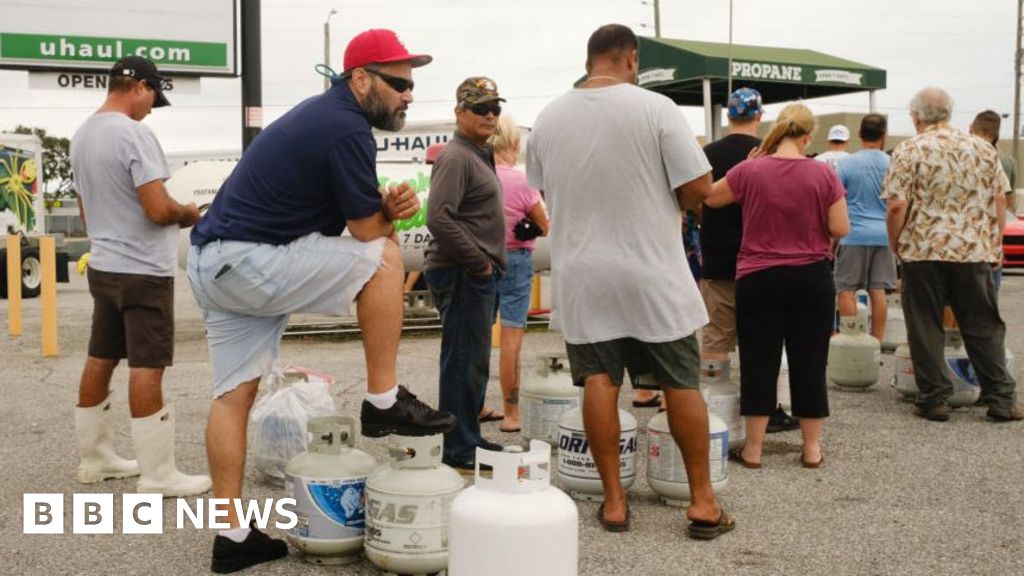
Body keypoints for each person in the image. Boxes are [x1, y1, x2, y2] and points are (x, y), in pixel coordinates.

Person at [187, 29, 456, 573]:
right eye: (399, 83)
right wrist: (392, 215)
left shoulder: (323, 117)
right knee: (385, 256)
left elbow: (356, 216)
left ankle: (232, 536)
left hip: (215, 262)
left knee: (232, 398)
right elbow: (367, 233)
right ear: (360, 78)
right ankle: (382, 399)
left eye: (412, 86)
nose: (408, 95)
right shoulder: (345, 128)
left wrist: (386, 207)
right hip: (248, 259)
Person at [528, 24, 734, 539]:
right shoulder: (656, 108)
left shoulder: (548, 117)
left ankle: (615, 504)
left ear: (590, 59)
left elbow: (543, 191)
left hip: (582, 274)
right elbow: (699, 188)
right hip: (653, 271)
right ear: (631, 59)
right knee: (680, 383)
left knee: (599, 383)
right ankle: (703, 504)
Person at [70, 56, 210, 498]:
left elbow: (84, 209)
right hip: (144, 271)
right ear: (141, 87)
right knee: (148, 366)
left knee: (101, 356)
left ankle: (96, 460)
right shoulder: (135, 134)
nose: (152, 108)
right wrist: (189, 213)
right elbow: (157, 208)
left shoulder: (81, 136)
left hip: (106, 264)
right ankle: (158, 475)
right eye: (154, 99)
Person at [705, 103, 850, 469]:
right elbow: (840, 227)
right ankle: (812, 448)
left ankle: (753, 449)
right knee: (809, 361)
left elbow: (711, 197)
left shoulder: (751, 170)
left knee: (758, 360)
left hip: (758, 276)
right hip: (811, 276)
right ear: (806, 136)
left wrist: (745, 167)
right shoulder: (822, 173)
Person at [882, 87, 1022, 423]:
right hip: (972, 250)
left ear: (915, 117)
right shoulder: (982, 149)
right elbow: (1000, 200)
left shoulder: (908, 150)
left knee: (925, 323)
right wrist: (993, 242)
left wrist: (896, 243)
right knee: (983, 324)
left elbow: (897, 204)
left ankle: (934, 399)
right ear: (949, 113)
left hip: (923, 250)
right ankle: (1000, 397)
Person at [696, 87, 797, 433]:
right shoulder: (769, 155)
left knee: (715, 340)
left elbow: (698, 200)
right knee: (762, 341)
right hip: (762, 260)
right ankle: (767, 409)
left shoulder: (706, 153)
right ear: (760, 115)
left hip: (717, 259)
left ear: (728, 115)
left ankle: (710, 410)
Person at [424, 76, 508, 471]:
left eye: (495, 108)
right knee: (462, 361)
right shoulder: (456, 156)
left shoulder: (478, 152)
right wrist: (478, 262)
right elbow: (439, 218)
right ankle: (459, 447)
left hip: (474, 272)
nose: (490, 115)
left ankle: (468, 437)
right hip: (462, 272)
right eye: (480, 108)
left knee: (473, 361)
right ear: (459, 112)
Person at [491, 114, 549, 433]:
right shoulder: (521, 181)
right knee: (511, 338)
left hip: (479, 259)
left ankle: (473, 405)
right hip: (515, 258)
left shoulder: (477, 174)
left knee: (474, 338)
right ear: (514, 144)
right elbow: (544, 223)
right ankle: (511, 413)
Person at [835, 114, 897, 341]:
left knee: (846, 289)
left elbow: (835, 200)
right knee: (878, 290)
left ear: (860, 134)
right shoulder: (892, 164)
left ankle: (852, 340)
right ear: (883, 135)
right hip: (883, 235)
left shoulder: (846, 163)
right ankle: (876, 342)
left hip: (853, 235)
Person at [970, 110, 1016, 290]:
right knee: (990, 296)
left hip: (962, 237)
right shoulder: (1006, 160)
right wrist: (1000, 239)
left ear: (971, 129)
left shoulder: (959, 153)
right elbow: (1005, 201)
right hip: (989, 236)